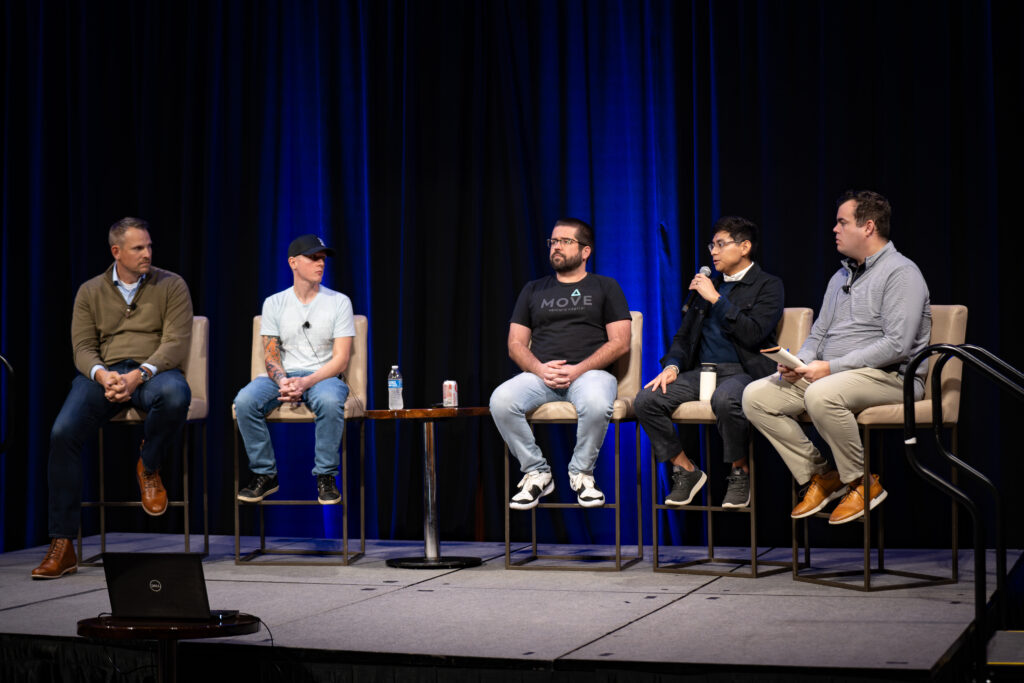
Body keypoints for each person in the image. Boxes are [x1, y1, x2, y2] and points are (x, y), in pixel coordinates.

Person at [742, 190, 930, 524]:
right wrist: (800, 363)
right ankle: (822, 475)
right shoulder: (840, 276)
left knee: (821, 393)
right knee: (755, 396)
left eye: (842, 222)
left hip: (891, 378)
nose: (834, 229)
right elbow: (819, 334)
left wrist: (831, 367)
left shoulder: (902, 273)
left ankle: (860, 481)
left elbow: (897, 345)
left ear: (868, 227)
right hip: (833, 376)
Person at [33, 217, 193, 579]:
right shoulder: (90, 291)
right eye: (139, 248)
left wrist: (139, 375)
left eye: (149, 246)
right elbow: (83, 347)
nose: (147, 254)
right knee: (62, 433)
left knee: (174, 394)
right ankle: (63, 544)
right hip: (106, 374)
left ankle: (148, 466)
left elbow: (176, 342)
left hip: (152, 371)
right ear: (116, 252)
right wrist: (104, 375)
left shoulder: (172, 285)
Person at [634, 216, 783, 508]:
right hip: (701, 373)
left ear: (744, 247)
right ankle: (685, 469)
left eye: (720, 244)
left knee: (726, 400)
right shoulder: (706, 288)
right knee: (645, 400)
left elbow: (753, 334)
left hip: (745, 372)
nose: (712, 252)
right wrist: (673, 366)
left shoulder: (767, 285)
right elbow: (683, 336)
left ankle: (740, 471)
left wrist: (717, 300)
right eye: (711, 245)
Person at [489, 218, 632, 509]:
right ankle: (536, 472)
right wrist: (540, 369)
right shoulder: (533, 289)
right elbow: (515, 344)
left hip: (589, 374)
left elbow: (621, 342)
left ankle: (581, 474)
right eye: (553, 241)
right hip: (541, 375)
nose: (556, 247)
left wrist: (578, 369)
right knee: (501, 400)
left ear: (585, 251)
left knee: (595, 401)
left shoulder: (606, 286)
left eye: (565, 242)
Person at [235, 234, 355, 506]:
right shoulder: (274, 303)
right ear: (293, 263)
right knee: (244, 401)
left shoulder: (339, 302)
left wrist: (306, 382)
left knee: (329, 399)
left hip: (323, 375)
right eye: (313, 257)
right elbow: (271, 357)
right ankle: (265, 474)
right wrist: (285, 381)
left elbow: (341, 360)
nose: (320, 263)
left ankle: (325, 476)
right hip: (284, 376)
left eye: (322, 258)